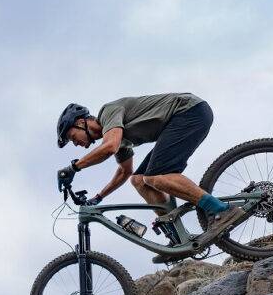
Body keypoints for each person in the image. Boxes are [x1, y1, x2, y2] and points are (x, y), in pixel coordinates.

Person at [54, 93, 245, 252]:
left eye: (72, 137)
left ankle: (222, 210)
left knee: (154, 177)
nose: (77, 144)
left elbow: (109, 146)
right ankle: (178, 237)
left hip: (189, 112)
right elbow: (125, 172)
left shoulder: (108, 112)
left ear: (80, 122)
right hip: (180, 120)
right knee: (138, 180)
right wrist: (98, 197)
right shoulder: (118, 137)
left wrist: (73, 167)